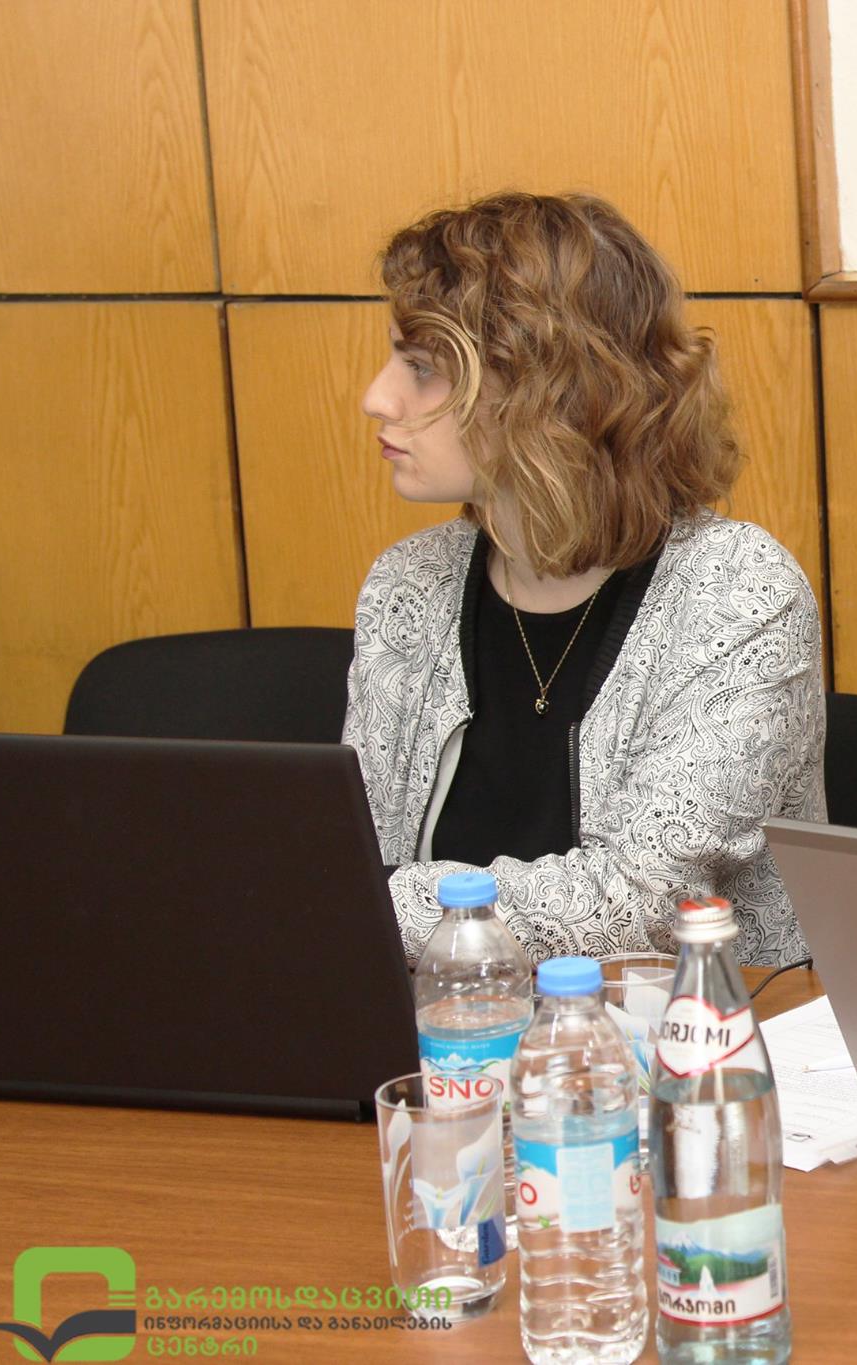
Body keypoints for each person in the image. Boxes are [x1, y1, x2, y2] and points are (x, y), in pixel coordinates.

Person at [345, 191, 824, 966]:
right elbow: (345, 853)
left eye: (423, 369)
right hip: (450, 1026)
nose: (378, 396)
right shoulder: (410, 584)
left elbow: (640, 905)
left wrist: (357, 899)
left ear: (552, 395)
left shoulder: (739, 592)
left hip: (689, 1030)